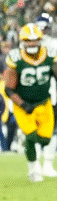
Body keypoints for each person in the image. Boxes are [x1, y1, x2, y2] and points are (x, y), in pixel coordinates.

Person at [2, 23, 57, 182]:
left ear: (40, 40)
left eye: (35, 40)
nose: (32, 44)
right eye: (28, 40)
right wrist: (23, 104)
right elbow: (9, 89)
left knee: (46, 139)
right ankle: (34, 170)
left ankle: (25, 141)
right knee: (32, 137)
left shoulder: (50, 54)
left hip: (43, 102)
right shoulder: (15, 58)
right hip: (23, 105)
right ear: (22, 41)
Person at [33, 14, 57, 176]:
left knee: (53, 129)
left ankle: (47, 163)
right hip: (34, 92)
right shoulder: (29, 45)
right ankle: (35, 164)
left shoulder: (54, 44)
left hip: (51, 91)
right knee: (34, 129)